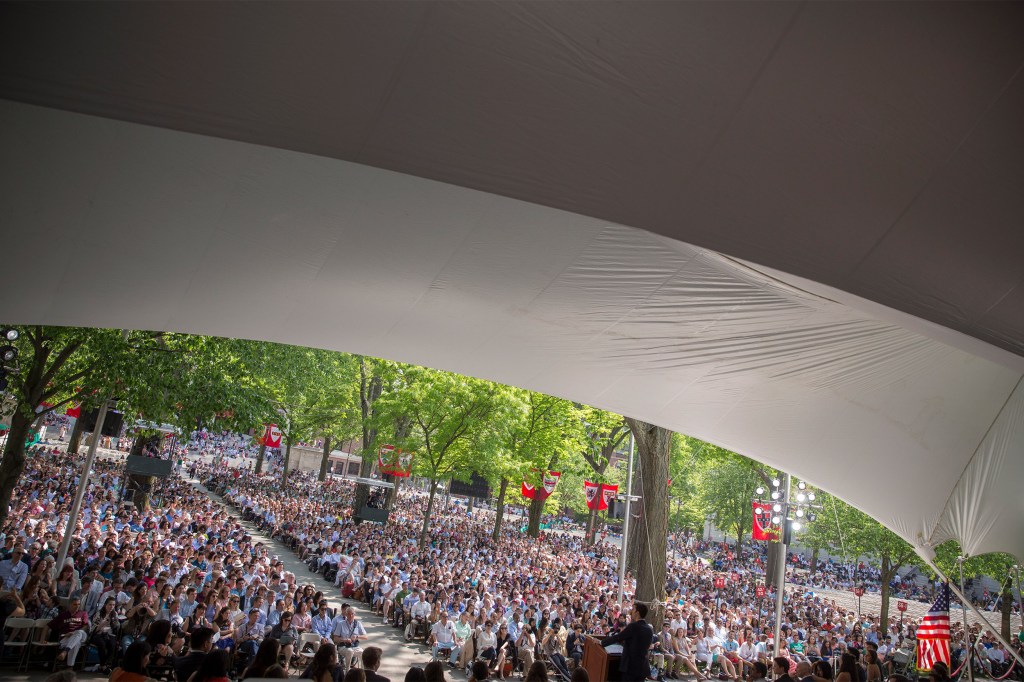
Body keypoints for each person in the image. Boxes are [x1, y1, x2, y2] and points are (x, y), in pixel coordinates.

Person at [49, 595, 90, 669]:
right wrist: (42, 639)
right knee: (76, 643)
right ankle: (70, 667)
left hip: (81, 635)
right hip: (66, 637)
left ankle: (65, 652)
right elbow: (48, 625)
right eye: (75, 604)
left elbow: (85, 626)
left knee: (78, 633)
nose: (77, 606)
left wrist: (73, 633)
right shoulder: (63, 615)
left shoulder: (83, 613)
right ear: (70, 604)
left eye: (78, 604)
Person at [332, 605, 368, 670]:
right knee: (349, 651)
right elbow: (335, 638)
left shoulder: (358, 624)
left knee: (363, 653)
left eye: (352, 614)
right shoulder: (341, 624)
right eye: (349, 614)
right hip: (343, 647)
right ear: (346, 615)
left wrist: (357, 636)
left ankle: (363, 673)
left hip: (354, 646)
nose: (351, 616)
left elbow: (365, 637)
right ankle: (347, 672)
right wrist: (345, 640)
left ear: (354, 614)